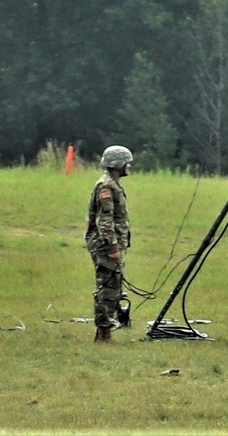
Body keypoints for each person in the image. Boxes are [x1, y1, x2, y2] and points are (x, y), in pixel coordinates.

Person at [85, 145, 133, 342]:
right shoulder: (106, 187)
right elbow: (105, 220)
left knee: (113, 287)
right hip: (106, 247)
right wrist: (112, 247)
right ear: (117, 164)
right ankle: (103, 333)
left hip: (112, 245)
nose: (129, 166)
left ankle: (104, 331)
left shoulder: (112, 184)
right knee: (108, 289)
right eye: (126, 162)